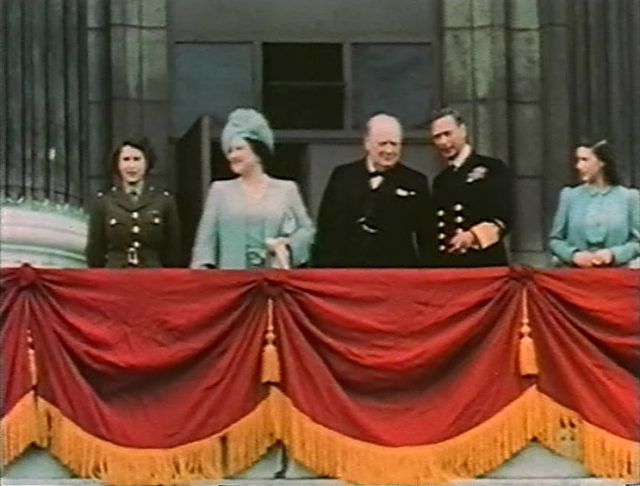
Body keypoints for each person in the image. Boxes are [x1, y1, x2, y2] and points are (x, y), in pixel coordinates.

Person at [190, 108, 314, 269]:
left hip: (275, 282)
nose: (232, 156)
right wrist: (203, 272)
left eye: (239, 148)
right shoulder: (220, 190)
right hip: (233, 282)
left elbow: (307, 231)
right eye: (229, 151)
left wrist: (287, 247)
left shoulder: (287, 189)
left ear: (257, 150)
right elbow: (205, 242)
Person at [313, 113, 434, 267]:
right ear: (367, 144)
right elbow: (326, 230)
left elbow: (427, 238)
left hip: (397, 275)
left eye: (394, 144)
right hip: (348, 274)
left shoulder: (415, 181)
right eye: (383, 144)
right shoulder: (342, 176)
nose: (389, 150)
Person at [429, 107, 512, 267]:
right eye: (437, 137)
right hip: (450, 268)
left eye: (448, 134)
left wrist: (472, 236)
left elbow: (502, 219)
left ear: (463, 130)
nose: (443, 142)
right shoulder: (441, 180)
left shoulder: (492, 168)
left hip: (483, 264)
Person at [85, 139, 181, 267]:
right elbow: (95, 251)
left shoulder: (164, 201)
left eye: (137, 159)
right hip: (115, 277)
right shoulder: (103, 202)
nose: (131, 166)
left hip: (153, 277)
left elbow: (173, 252)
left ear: (147, 163)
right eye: (126, 159)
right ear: (117, 164)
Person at [549, 139, 640, 268]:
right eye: (578, 160)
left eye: (585, 160)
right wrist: (574, 255)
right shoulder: (569, 195)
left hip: (617, 277)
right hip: (575, 276)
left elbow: (637, 242)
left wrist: (613, 254)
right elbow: (555, 240)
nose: (579, 166)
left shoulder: (629, 197)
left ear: (602, 162)